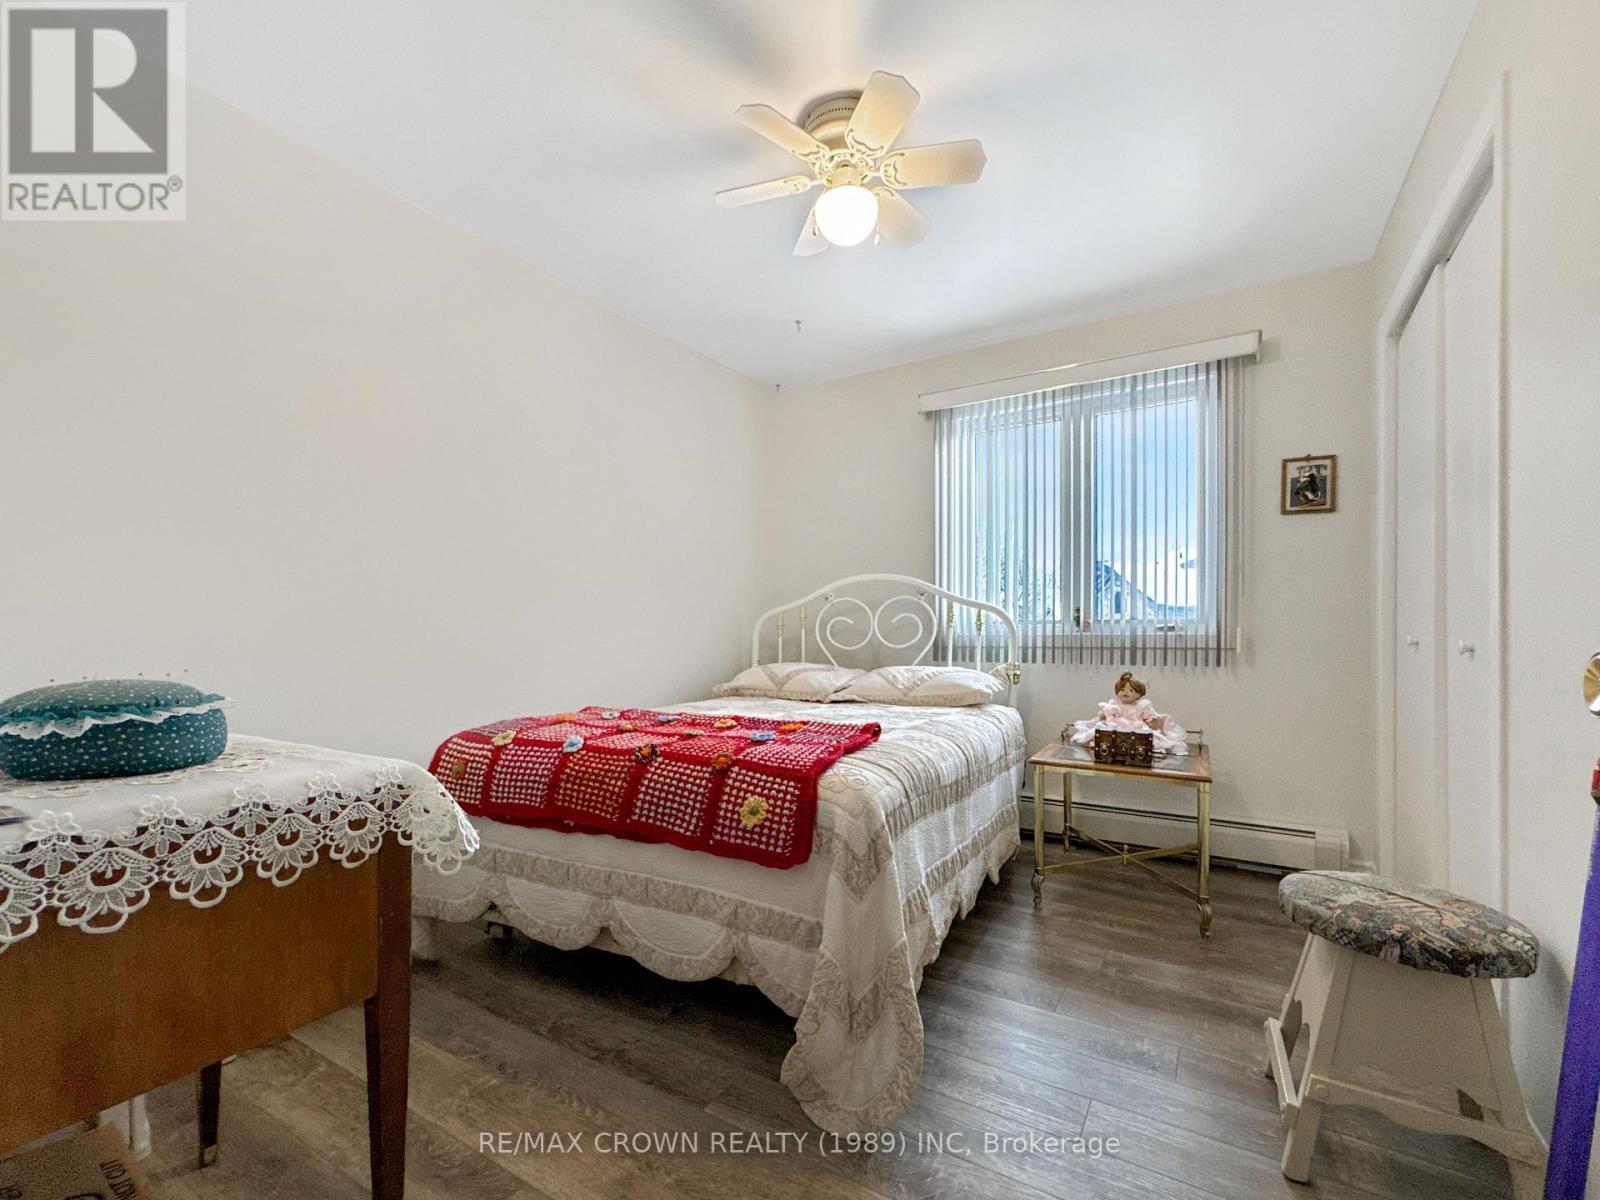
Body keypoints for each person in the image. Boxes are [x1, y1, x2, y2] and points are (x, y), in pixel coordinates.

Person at [1069, 671, 1188, 755]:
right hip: (1115, 730)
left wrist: (1151, 722)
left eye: (1131, 690)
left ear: (1139, 694)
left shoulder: (1141, 706)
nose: (1126, 692)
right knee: (1103, 733)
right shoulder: (1114, 704)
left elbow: (1150, 719)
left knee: (1146, 738)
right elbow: (1105, 715)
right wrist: (1102, 716)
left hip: (1134, 729)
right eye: (1122, 689)